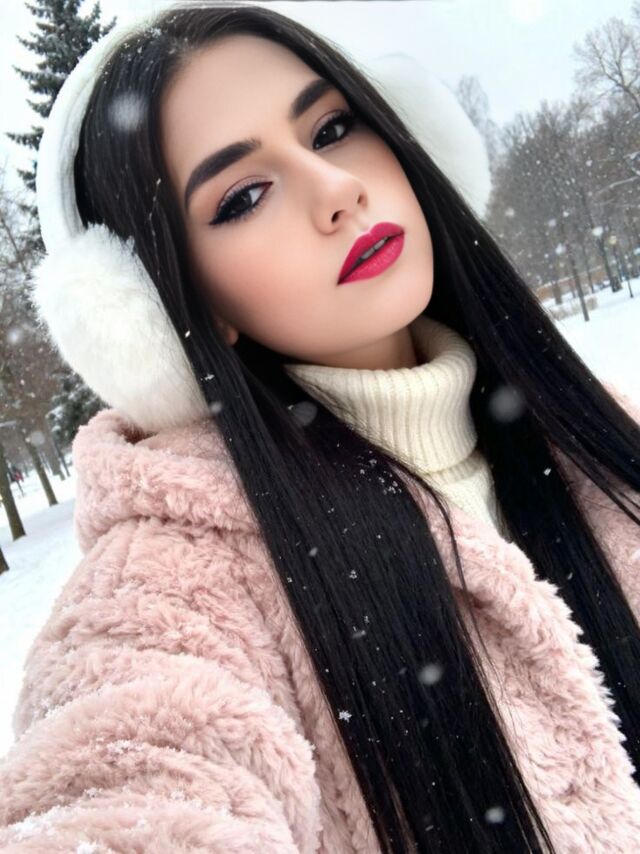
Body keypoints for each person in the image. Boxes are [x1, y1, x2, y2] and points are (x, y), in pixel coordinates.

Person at [1, 3, 639, 851]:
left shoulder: (595, 432)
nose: (338, 191)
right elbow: (123, 777)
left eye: (333, 129)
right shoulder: (173, 586)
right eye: (243, 196)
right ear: (173, 305)